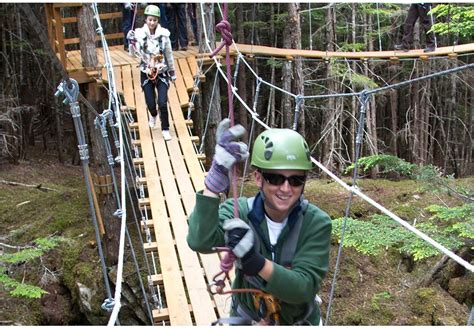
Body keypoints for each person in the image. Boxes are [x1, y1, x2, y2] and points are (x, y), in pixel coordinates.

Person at [187, 120, 332, 325]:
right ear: (257, 178)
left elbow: (304, 287)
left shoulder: (316, 223)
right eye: (275, 178)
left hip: (297, 321)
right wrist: (214, 181)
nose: (285, 188)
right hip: (249, 317)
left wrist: (254, 262)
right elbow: (199, 241)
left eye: (296, 180)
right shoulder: (238, 212)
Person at [127, 4, 176, 141]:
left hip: (161, 72)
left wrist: (172, 71)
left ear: (158, 21)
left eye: (154, 20)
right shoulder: (139, 34)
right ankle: (153, 114)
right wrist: (131, 42)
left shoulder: (164, 36)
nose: (152, 22)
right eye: (150, 20)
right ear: (146, 20)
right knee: (150, 103)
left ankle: (165, 128)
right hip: (146, 71)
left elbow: (169, 54)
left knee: (162, 102)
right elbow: (133, 54)